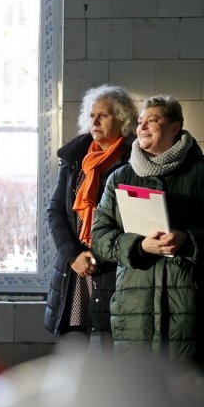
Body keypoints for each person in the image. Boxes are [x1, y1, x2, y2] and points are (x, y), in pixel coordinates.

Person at [91, 95, 204, 373]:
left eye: (153, 120)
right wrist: (138, 247)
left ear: (175, 127)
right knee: (139, 400)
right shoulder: (119, 177)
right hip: (136, 310)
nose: (143, 127)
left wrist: (189, 239)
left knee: (188, 400)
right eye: (140, 122)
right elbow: (98, 237)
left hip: (191, 308)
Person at [44, 85, 138, 344]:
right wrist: (74, 255)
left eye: (103, 115)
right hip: (75, 267)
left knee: (113, 349)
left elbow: (134, 222)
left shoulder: (135, 161)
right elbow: (55, 212)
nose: (94, 121)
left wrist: (100, 256)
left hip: (113, 269)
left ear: (123, 120)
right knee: (74, 348)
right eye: (91, 115)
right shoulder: (76, 158)